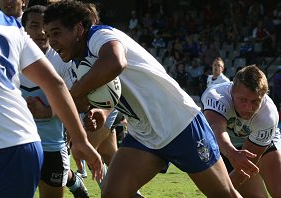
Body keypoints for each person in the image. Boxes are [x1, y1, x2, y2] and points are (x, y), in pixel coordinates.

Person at [43, 1, 242, 197]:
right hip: (144, 134)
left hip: (179, 124)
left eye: (57, 33)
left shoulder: (99, 35)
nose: (52, 41)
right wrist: (101, 110)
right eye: (49, 35)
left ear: (78, 29)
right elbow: (104, 93)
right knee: (113, 194)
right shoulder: (79, 62)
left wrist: (74, 93)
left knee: (224, 194)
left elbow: (115, 62)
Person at [0, 1, 103, 198]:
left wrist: (77, 138)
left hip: (4, 147)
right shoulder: (10, 26)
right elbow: (54, 84)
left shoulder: (14, 28)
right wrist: (80, 140)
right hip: (17, 143)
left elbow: (58, 86)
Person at [20, 5, 89, 198]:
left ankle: (71, 179)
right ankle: (73, 180)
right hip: (17, 145)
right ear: (24, 28)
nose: (41, 32)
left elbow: (82, 102)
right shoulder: (9, 58)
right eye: (34, 25)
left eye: (45, 27)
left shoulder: (63, 60)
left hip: (52, 146)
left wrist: (49, 111)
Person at [201, 65, 281, 197]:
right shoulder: (216, 96)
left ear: (264, 96)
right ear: (232, 90)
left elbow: (247, 165)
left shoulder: (269, 115)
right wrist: (231, 152)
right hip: (225, 146)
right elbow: (217, 128)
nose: (248, 108)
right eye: (243, 100)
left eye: (255, 101)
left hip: (262, 142)